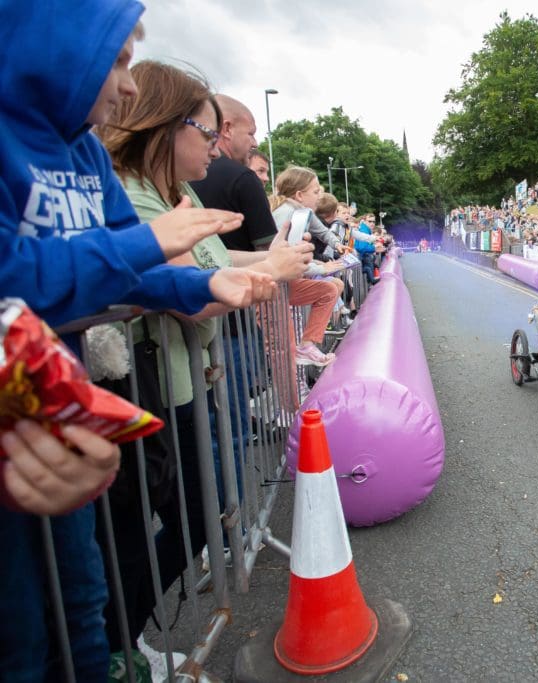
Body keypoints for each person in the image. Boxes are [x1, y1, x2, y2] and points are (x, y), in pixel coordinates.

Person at [0, 3, 259, 680]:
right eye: (115, 59)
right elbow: (17, 270)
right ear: (56, 45)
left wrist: (205, 289)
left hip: (60, 423)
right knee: (22, 637)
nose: (128, 85)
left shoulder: (84, 150)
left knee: (85, 607)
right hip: (12, 436)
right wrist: (147, 243)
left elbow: (134, 272)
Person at [96, 60, 278, 668]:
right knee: (144, 523)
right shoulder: (126, 190)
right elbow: (187, 289)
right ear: (166, 127)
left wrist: (261, 270)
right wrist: (263, 272)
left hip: (181, 381)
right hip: (144, 385)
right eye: (206, 130)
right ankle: (112, 646)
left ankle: (120, 639)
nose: (216, 144)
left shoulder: (174, 191)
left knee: (197, 507)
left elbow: (209, 261)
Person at [269, 166, 345, 366]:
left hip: (284, 283)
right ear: (300, 195)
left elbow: (322, 232)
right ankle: (306, 346)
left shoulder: (302, 213)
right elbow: (289, 260)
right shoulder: (288, 215)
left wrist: (337, 243)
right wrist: (320, 269)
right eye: (316, 191)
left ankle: (307, 346)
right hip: (274, 288)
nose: (320, 196)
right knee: (284, 354)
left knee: (331, 288)